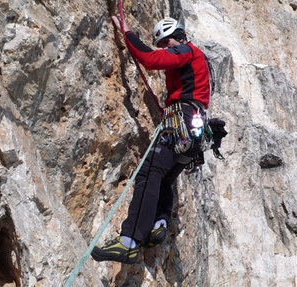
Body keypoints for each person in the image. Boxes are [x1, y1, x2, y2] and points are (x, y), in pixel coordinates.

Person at [91, 15, 211, 264]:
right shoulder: (198, 61)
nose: (165, 48)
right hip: (194, 131)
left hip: (182, 121)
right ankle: (159, 223)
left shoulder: (186, 51)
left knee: (149, 173)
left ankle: (129, 242)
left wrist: (128, 33)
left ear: (177, 37)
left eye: (166, 42)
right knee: (165, 178)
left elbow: (151, 59)